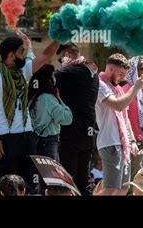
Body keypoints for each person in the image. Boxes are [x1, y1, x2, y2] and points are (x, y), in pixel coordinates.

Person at [0, 31, 60, 191]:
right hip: (6, 139)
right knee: (8, 186)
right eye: (21, 52)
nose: (24, 55)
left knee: (27, 185)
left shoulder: (23, 72)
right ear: (11, 55)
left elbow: (46, 54)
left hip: (27, 136)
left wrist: (61, 36)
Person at [95, 53, 143, 195]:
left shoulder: (118, 89)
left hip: (123, 145)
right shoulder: (100, 85)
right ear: (110, 69)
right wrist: (135, 88)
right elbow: (117, 105)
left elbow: (125, 118)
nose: (123, 78)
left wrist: (132, 140)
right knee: (110, 188)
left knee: (123, 188)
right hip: (110, 143)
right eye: (121, 74)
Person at [55, 42, 99, 196]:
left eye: (60, 60)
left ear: (67, 54)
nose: (60, 64)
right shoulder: (93, 73)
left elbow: (45, 81)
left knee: (68, 180)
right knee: (83, 180)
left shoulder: (68, 72)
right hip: (88, 133)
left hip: (71, 133)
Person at [28, 64, 73, 161]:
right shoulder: (49, 99)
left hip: (35, 142)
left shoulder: (32, 98)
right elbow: (67, 118)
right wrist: (60, 99)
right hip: (49, 144)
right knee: (50, 175)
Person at [122, 57, 143, 183]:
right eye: (141, 68)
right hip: (134, 144)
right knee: (133, 184)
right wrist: (132, 141)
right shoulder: (126, 90)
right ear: (132, 71)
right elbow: (124, 119)